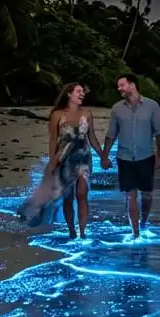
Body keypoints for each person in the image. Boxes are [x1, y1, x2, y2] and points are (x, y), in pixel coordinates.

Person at [20, 82, 103, 238]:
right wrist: (52, 162)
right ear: (69, 94)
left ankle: (83, 233)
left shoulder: (87, 113)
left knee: (82, 194)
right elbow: (53, 141)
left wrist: (103, 156)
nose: (82, 94)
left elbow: (92, 137)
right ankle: (72, 230)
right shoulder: (57, 115)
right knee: (68, 197)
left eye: (83, 92)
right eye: (79, 91)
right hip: (65, 159)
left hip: (84, 157)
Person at [101, 73, 160, 238]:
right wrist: (104, 156)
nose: (119, 88)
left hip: (146, 156)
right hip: (125, 157)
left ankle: (144, 222)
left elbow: (159, 133)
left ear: (132, 85)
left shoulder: (152, 106)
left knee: (148, 195)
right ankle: (135, 234)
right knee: (130, 195)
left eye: (121, 85)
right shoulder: (117, 109)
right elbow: (111, 134)